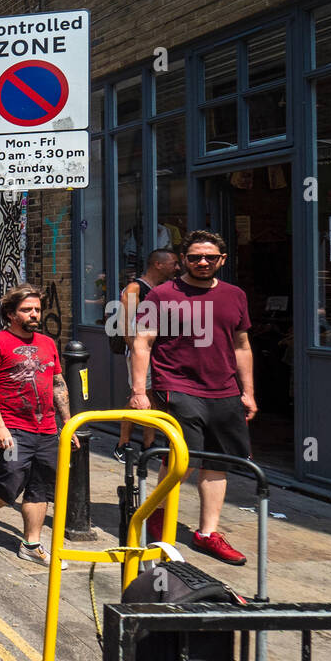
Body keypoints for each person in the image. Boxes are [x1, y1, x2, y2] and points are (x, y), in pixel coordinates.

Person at [131, 230, 256, 565]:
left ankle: (207, 533)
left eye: (210, 257)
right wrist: (139, 391)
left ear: (222, 260)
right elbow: (143, 342)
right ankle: (158, 513)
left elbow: (242, 346)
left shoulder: (235, 295)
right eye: (195, 257)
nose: (203, 262)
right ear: (183, 259)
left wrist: (248, 392)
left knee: (218, 462)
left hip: (225, 389)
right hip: (178, 385)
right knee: (180, 459)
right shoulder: (161, 294)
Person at [0, 284, 77, 566]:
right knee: (11, 480)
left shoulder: (48, 343)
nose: (34, 314)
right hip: (13, 428)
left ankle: (31, 544)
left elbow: (57, 384)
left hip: (47, 429)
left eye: (37, 309)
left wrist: (69, 423)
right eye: (27, 310)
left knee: (40, 486)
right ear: (11, 313)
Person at [113, 248, 179, 460]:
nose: (177, 267)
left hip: (156, 352)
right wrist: (135, 349)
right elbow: (124, 324)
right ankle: (122, 444)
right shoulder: (135, 287)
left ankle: (148, 445)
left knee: (153, 399)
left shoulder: (160, 289)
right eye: (174, 263)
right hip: (140, 352)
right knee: (140, 396)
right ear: (158, 264)